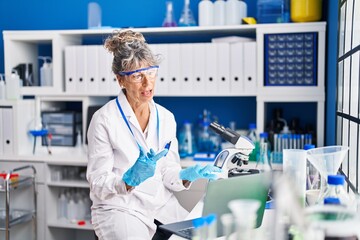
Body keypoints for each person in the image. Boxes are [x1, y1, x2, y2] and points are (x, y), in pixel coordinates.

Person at [86, 30, 222, 240]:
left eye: (151, 73)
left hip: (160, 206)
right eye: (137, 76)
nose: (147, 84)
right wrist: (129, 180)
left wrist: (186, 175)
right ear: (120, 80)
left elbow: (168, 171)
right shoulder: (104, 119)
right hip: (120, 208)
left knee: (205, 235)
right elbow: (98, 181)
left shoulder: (166, 117)